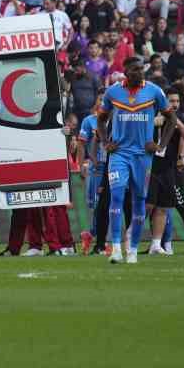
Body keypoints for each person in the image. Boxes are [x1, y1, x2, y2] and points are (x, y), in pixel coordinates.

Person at [92, 56, 172, 264]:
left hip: (142, 157)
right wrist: (104, 142)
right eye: (135, 69)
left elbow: (171, 119)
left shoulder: (154, 91)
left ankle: (133, 250)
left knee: (139, 202)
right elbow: (101, 119)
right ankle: (117, 248)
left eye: (141, 69)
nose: (140, 72)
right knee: (116, 196)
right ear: (126, 72)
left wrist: (160, 145)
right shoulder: (113, 92)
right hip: (119, 154)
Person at [146, 87, 184, 255]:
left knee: (180, 204)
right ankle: (158, 243)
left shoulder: (181, 118)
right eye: (171, 101)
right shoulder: (154, 117)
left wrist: (176, 120)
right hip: (154, 167)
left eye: (177, 101)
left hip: (173, 169)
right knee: (152, 206)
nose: (175, 104)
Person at [74, 99, 109, 254]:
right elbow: (81, 144)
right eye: (101, 100)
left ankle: (92, 236)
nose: (103, 104)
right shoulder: (89, 121)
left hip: (112, 168)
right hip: (96, 169)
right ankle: (99, 239)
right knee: (97, 206)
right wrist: (81, 165)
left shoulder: (115, 119)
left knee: (109, 207)